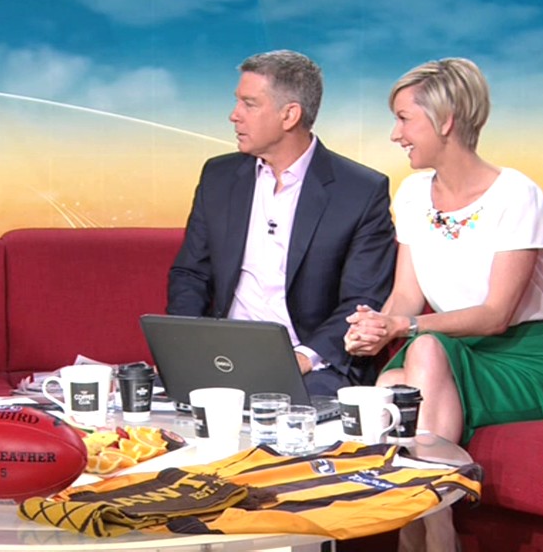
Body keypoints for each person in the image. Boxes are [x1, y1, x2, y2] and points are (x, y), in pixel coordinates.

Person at [344, 58, 543, 551]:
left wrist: (403, 327)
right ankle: (419, 528)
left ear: (445, 121)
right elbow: (406, 296)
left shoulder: (516, 195)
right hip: (442, 351)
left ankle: (436, 524)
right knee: (388, 387)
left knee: (422, 353)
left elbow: (496, 316)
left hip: (516, 357)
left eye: (404, 119)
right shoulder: (412, 194)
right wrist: (376, 324)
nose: (395, 135)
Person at [167, 50, 397, 395]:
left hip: (311, 366)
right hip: (223, 359)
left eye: (249, 104)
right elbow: (191, 274)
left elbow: (361, 300)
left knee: (302, 411)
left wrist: (302, 358)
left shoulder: (360, 191)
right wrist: (188, 350)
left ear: (290, 115)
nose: (234, 115)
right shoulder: (218, 175)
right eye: (237, 102)